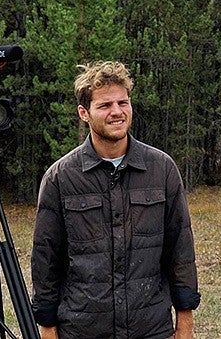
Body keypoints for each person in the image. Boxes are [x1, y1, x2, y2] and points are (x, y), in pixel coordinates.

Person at [31, 61, 200, 339]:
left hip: (151, 327)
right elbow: (46, 259)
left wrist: (185, 323)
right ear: (84, 113)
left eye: (123, 102)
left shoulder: (161, 169)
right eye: (105, 105)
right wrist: (47, 327)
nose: (117, 112)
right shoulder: (60, 178)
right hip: (83, 329)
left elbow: (180, 249)